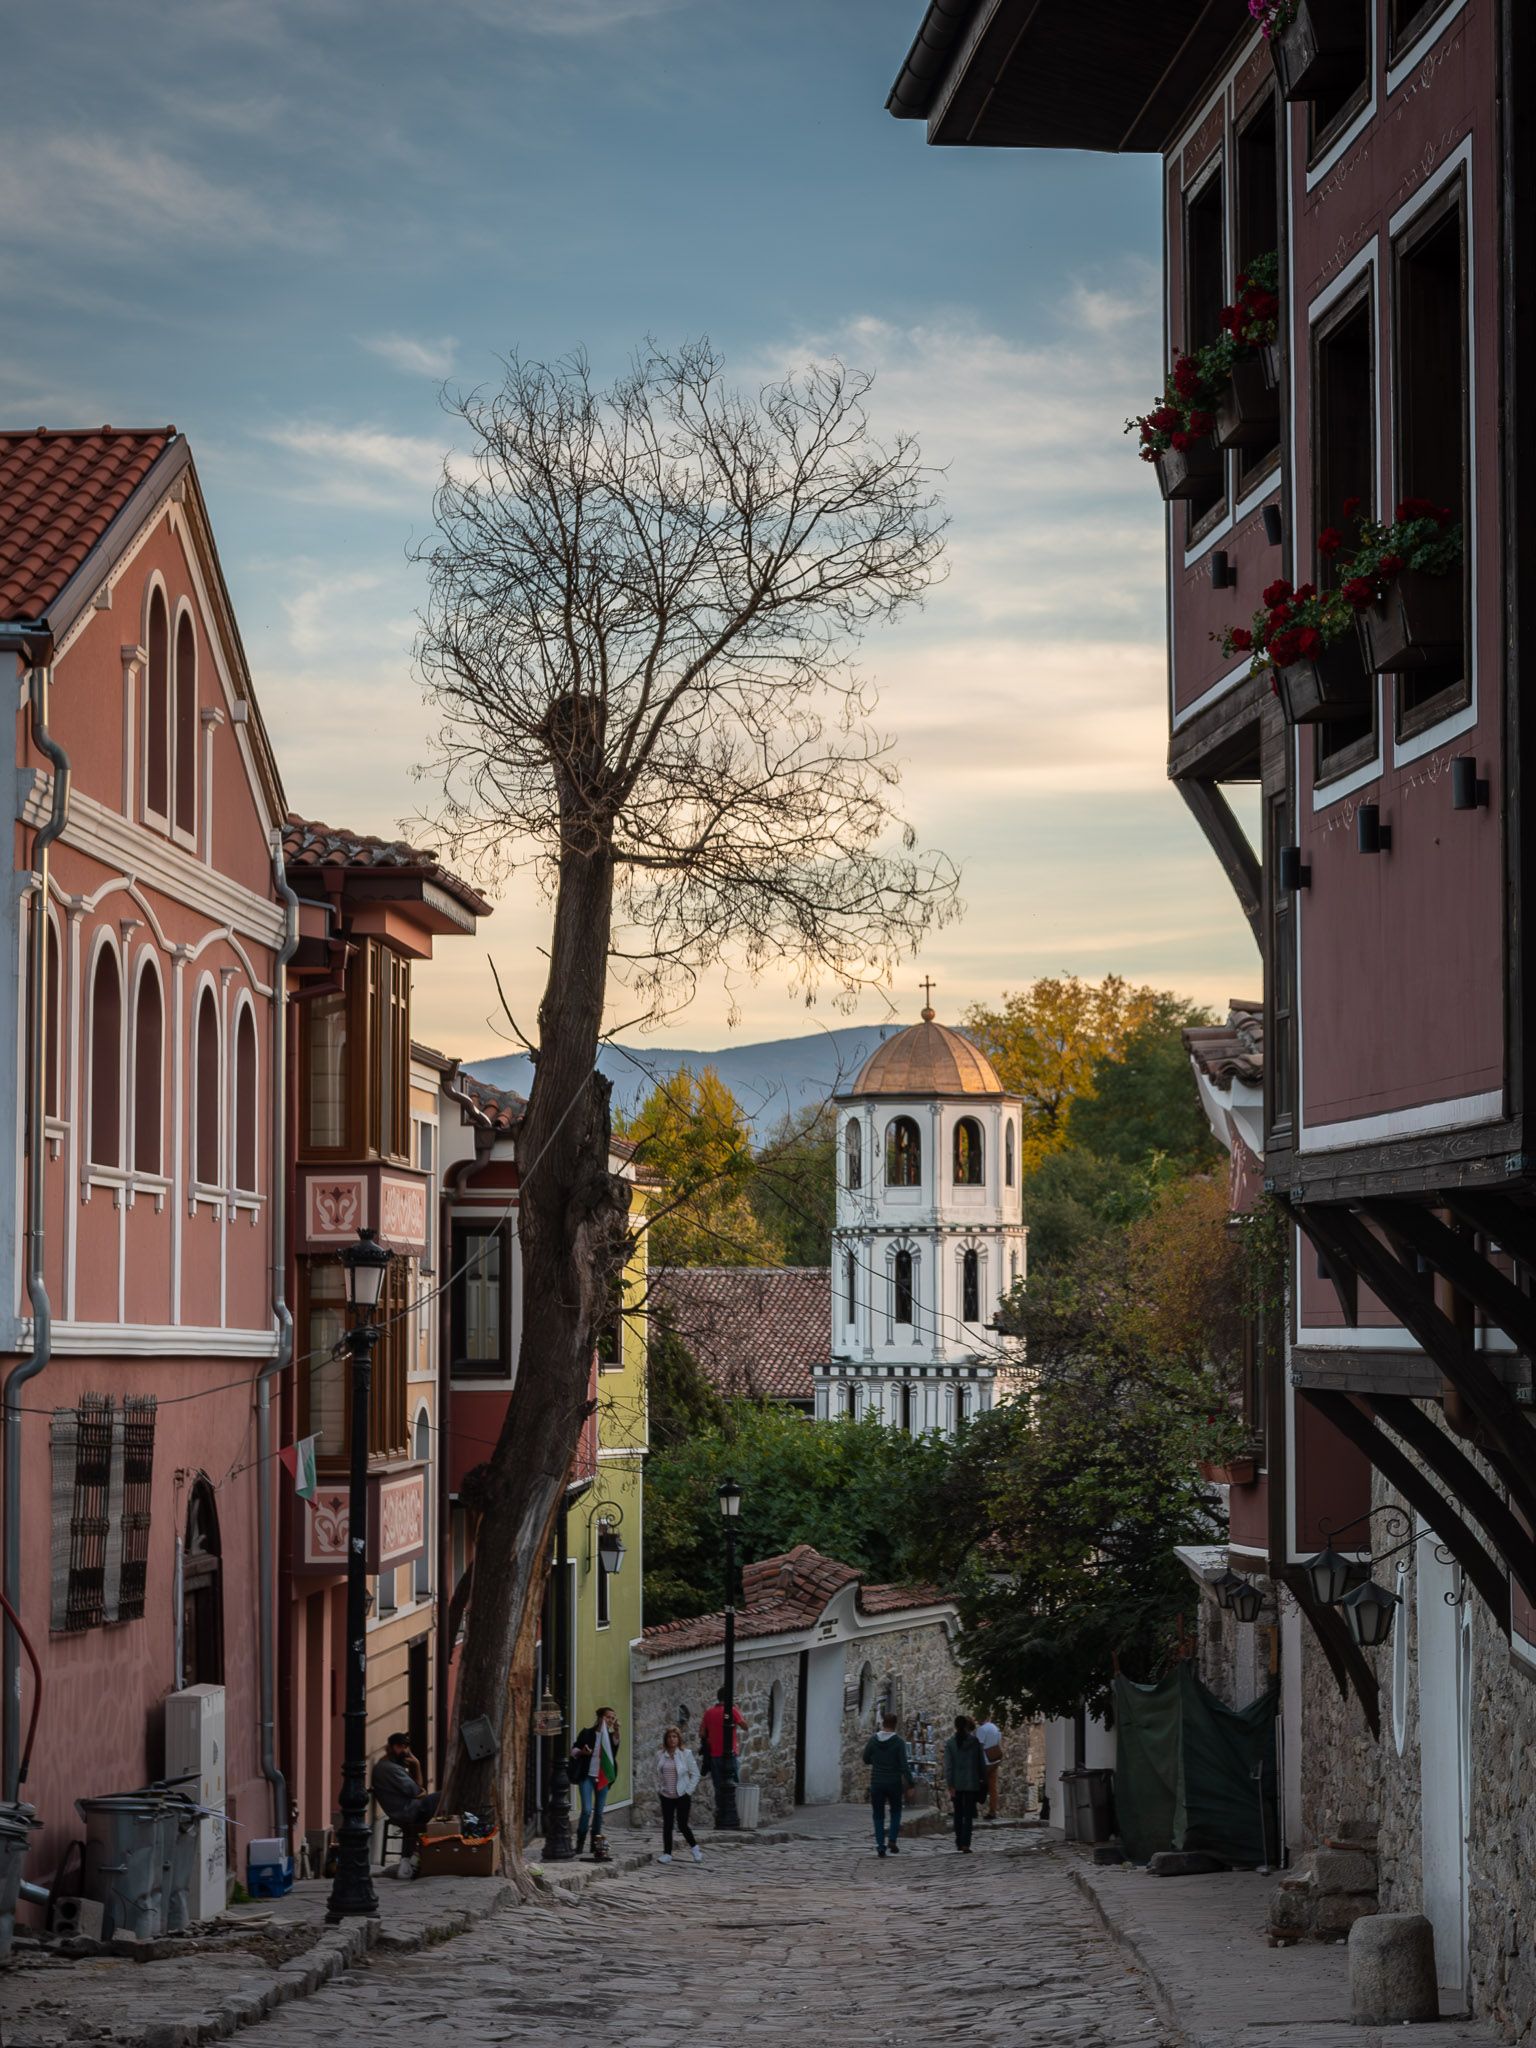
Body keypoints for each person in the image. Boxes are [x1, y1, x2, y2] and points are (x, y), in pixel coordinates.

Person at [370, 1732, 438, 1878]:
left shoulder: (391, 1766)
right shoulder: (389, 1768)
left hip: (409, 1808)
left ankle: (422, 1856)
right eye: (399, 1747)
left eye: (405, 1747)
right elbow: (417, 1789)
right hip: (408, 1811)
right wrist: (420, 1790)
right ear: (389, 1748)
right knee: (442, 1796)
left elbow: (418, 1789)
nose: (404, 1751)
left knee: (440, 1802)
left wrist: (417, 1765)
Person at [570, 1706, 622, 1853]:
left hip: (603, 1778)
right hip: (587, 1776)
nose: (610, 1720)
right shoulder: (587, 1733)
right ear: (600, 1718)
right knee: (586, 1810)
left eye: (612, 1718)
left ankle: (595, 1844)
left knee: (599, 1812)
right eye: (608, 1717)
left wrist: (617, 1730)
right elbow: (573, 1750)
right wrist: (582, 1752)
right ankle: (580, 1843)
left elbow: (616, 1745)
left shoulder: (612, 1737)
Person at [863, 1711, 915, 1857]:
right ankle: (892, 1838)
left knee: (878, 1815)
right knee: (896, 1811)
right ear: (895, 1725)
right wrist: (911, 1784)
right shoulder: (898, 1742)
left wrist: (878, 1762)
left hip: (877, 1781)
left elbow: (866, 1758)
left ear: (883, 1723)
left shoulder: (873, 1740)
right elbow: (904, 1765)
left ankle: (880, 1845)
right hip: (893, 1782)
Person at [655, 1724, 703, 1864]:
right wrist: (659, 1789)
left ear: (678, 1739)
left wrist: (688, 1791)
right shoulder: (660, 1755)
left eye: (674, 1736)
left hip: (682, 1794)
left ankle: (695, 1849)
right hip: (666, 1795)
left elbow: (695, 1774)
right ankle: (667, 1853)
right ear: (666, 1739)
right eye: (669, 1737)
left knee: (682, 1825)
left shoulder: (685, 1754)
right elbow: (656, 1773)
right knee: (667, 1825)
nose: (672, 1739)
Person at [698, 1687, 746, 1815]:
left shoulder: (709, 1713)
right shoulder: (732, 1711)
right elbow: (745, 1726)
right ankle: (734, 1813)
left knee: (718, 1786)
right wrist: (738, 1712)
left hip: (714, 1755)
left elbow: (701, 1733)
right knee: (734, 1784)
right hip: (730, 1755)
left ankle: (721, 1812)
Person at [944, 1714, 987, 1854]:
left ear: (955, 1726)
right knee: (968, 1814)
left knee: (958, 1813)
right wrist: (982, 1779)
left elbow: (948, 1767)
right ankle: (966, 1843)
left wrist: (950, 1784)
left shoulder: (950, 1743)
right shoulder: (975, 1742)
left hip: (956, 1783)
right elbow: (981, 1763)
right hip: (971, 1782)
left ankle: (958, 1840)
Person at [975, 1714, 1004, 1820]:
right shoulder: (995, 1728)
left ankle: (972, 1809)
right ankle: (992, 1811)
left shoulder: (981, 1729)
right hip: (994, 1760)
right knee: (993, 1788)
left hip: (985, 1761)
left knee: (976, 1784)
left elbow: (979, 1746)